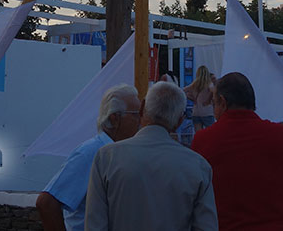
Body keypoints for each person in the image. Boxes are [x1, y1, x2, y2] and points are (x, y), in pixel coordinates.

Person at [85, 81, 216, 231]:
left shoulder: (106, 158)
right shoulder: (198, 166)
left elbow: (95, 225)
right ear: (179, 121)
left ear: (142, 108)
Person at [190, 72, 283, 230]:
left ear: (222, 102)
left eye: (214, 104)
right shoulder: (282, 135)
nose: (214, 111)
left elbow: (194, 193)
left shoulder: (202, 140)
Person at [36, 84, 142, 231]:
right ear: (115, 119)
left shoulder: (120, 152)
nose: (140, 121)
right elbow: (46, 203)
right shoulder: (90, 153)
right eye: (136, 114)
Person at [185, 66, 216, 131]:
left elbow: (184, 90)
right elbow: (213, 91)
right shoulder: (209, 83)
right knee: (211, 134)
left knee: (198, 134)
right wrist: (208, 100)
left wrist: (193, 99)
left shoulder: (194, 84)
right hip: (207, 112)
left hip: (196, 112)